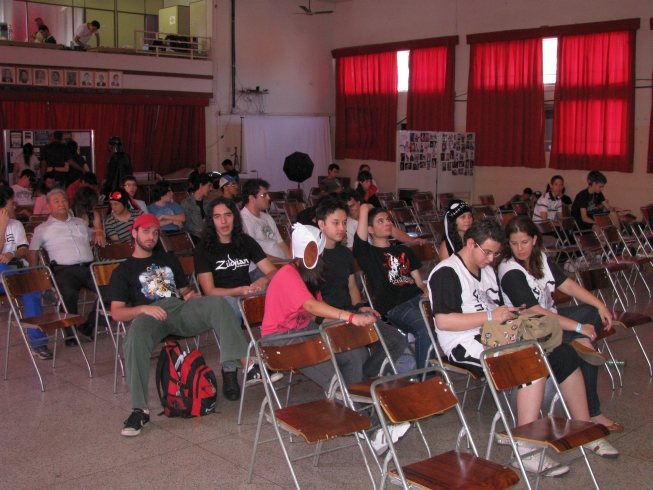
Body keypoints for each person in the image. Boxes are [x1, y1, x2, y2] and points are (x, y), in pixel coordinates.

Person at [428, 218, 614, 474]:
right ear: (471, 244)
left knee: (563, 354)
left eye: (495, 254)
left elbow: (498, 312)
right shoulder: (447, 271)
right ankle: (525, 450)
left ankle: (585, 428)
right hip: (464, 343)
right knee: (529, 363)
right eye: (488, 252)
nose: (491, 259)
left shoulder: (486, 271)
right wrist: (492, 316)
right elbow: (443, 321)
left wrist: (512, 315)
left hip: (497, 335)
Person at [262, 223, 410, 455]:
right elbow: (311, 305)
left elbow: (315, 313)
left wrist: (338, 324)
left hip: (305, 331)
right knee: (335, 379)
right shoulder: (287, 274)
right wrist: (348, 317)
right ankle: (371, 430)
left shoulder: (310, 275)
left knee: (353, 353)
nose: (319, 256)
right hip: (280, 342)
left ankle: (353, 410)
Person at [105, 214, 250, 436]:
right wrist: (143, 309)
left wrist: (189, 296)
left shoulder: (169, 259)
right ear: (134, 233)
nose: (151, 236)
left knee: (218, 303)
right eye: (146, 231)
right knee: (134, 339)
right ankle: (140, 410)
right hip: (149, 315)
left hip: (179, 309)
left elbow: (183, 292)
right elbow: (116, 312)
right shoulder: (123, 271)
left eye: (155, 232)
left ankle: (247, 364)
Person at [498, 216, 623, 455]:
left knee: (591, 314)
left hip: (551, 321)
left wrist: (600, 305)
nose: (520, 249)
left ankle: (579, 342)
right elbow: (534, 311)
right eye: (514, 243)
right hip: (530, 328)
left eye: (524, 242)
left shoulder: (541, 259)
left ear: (535, 240)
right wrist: (577, 327)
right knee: (580, 345)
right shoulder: (509, 269)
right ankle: (592, 414)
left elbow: (568, 286)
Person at [316, 197, 407, 379]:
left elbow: (351, 287)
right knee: (357, 353)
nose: (342, 228)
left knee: (396, 341)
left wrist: (359, 306)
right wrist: (333, 318)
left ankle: (363, 380)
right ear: (321, 224)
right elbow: (309, 302)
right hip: (327, 317)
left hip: (350, 313)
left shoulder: (345, 254)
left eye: (344, 223)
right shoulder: (313, 256)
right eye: (335, 223)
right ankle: (357, 384)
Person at [353, 204, 431, 370]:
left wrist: (425, 289)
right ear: (370, 229)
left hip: (417, 299)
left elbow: (419, 283)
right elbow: (359, 241)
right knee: (425, 329)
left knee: (443, 320)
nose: (387, 223)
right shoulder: (369, 254)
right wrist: (364, 210)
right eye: (380, 221)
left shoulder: (403, 250)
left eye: (388, 220)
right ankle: (426, 376)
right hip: (396, 306)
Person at [28, 189, 104, 345]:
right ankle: (70, 334)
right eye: (56, 201)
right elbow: (32, 252)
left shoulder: (79, 222)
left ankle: (89, 324)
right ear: (48, 207)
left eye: (63, 200)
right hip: (64, 270)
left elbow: (92, 235)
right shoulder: (42, 229)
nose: (61, 204)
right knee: (67, 294)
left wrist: (98, 233)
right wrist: (35, 274)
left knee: (111, 289)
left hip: (88, 268)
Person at [194, 197, 277, 323]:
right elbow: (209, 291)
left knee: (278, 293)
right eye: (217, 216)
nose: (223, 221)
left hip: (247, 292)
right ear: (211, 221)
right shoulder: (202, 249)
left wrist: (263, 280)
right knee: (231, 307)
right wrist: (239, 291)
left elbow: (273, 271)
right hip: (220, 298)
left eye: (228, 215)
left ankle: (277, 334)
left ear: (235, 218)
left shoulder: (246, 241)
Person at [0, 187, 51, 360]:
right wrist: (2, 226)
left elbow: (23, 250)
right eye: (11, 204)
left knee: (30, 294)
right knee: (5, 270)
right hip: (3, 277)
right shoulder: (6, 224)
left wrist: (11, 253)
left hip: (16, 272)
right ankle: (40, 287)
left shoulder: (16, 225)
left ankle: (39, 344)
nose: (14, 207)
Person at [341, 188, 424, 249]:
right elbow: (352, 251)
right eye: (347, 208)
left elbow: (394, 231)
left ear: (359, 202)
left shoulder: (372, 214)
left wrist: (411, 240)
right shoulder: (347, 224)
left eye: (352, 206)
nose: (350, 210)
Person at [240, 178, 291, 261]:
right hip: (264, 265)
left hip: (280, 263)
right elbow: (253, 254)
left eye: (268, 194)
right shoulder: (244, 220)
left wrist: (291, 262)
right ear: (252, 198)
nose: (269, 198)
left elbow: (281, 244)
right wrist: (281, 263)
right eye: (264, 195)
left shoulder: (267, 217)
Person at [180, 173, 212, 243]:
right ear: (201, 185)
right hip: (194, 237)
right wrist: (202, 230)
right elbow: (187, 225)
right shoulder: (186, 203)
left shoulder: (208, 203)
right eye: (209, 185)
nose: (211, 189)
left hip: (208, 236)